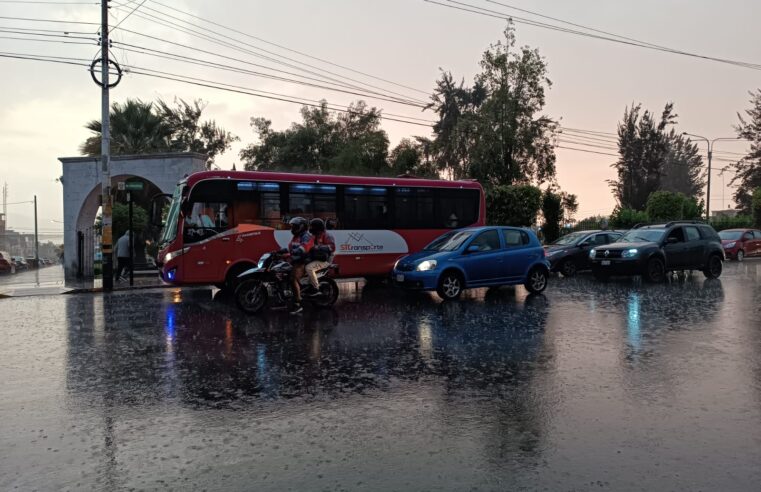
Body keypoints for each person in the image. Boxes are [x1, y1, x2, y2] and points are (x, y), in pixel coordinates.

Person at [287, 217, 313, 314]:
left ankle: (298, 304)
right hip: (297, 260)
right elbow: (290, 246)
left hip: (304, 261)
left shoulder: (306, 236)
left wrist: (293, 252)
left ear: (301, 227)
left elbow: (304, 248)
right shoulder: (296, 236)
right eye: (292, 227)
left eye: (295, 227)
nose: (292, 229)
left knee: (293, 278)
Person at [304, 218, 336, 296]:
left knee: (309, 268)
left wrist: (318, 247)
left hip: (326, 259)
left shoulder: (327, 236)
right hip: (317, 257)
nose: (311, 230)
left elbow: (332, 247)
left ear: (318, 228)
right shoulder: (314, 235)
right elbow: (308, 245)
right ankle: (305, 286)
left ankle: (316, 289)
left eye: (313, 228)